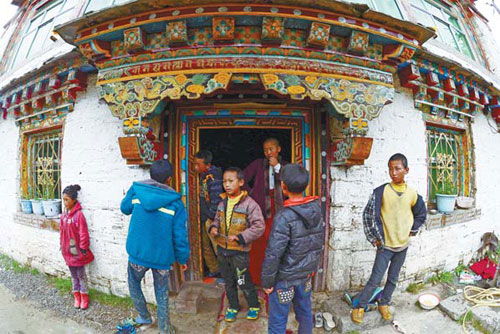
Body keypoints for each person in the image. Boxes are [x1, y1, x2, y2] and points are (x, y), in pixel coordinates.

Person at [351, 153, 427, 324]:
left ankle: (383, 303)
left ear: (406, 170)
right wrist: (375, 238)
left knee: (393, 278)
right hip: (385, 246)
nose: (393, 173)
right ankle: (359, 306)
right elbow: (368, 215)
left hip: (402, 246)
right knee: (375, 279)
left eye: (397, 169)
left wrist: (412, 230)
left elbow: (421, 214)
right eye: (390, 169)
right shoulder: (382, 191)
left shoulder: (412, 194)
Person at [120, 159, 189, 334]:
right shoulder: (176, 202)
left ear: (150, 175)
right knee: (162, 293)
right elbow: (180, 235)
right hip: (162, 257)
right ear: (169, 179)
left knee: (134, 283)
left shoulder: (137, 190)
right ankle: (165, 328)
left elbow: (124, 208)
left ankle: (144, 316)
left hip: (138, 253)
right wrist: (182, 259)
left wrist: (132, 192)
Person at [261, 164, 324, 334]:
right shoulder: (316, 209)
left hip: (284, 281)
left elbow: (274, 253)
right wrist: (311, 268)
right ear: (305, 186)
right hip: (304, 277)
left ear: (283, 187)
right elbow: (317, 243)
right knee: (304, 312)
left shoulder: (283, 216)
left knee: (278, 320)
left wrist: (267, 282)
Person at [208, 167, 265, 322]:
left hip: (239, 251)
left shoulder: (250, 205)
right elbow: (216, 220)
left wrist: (241, 237)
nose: (227, 185)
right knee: (228, 281)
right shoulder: (221, 203)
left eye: (231, 181)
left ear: (241, 182)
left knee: (243, 280)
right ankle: (233, 305)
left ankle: (253, 305)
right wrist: (213, 227)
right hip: (222, 250)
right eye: (225, 181)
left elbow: (259, 226)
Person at [243, 137, 286, 285]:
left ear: (278, 149)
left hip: (279, 209)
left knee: (276, 242)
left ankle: (276, 279)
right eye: (265, 150)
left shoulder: (285, 165)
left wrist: (277, 167)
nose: (268, 153)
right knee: (259, 242)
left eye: (271, 149)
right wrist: (251, 194)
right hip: (260, 209)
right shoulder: (258, 164)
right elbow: (242, 178)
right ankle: (256, 279)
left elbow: (289, 182)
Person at [60, 184, 94, 310]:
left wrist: (83, 248)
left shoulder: (78, 215)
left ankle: (84, 296)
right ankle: (76, 296)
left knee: (81, 275)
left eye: (67, 200)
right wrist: (62, 246)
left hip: (77, 253)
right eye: (63, 199)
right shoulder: (63, 215)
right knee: (73, 276)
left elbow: (83, 233)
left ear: (74, 200)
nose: (65, 202)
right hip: (67, 252)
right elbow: (62, 233)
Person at [193, 150, 224, 278]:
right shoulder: (202, 176)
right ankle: (214, 269)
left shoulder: (213, 178)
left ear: (208, 165)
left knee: (218, 246)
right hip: (205, 216)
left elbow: (216, 200)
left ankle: (226, 271)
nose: (195, 167)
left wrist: (211, 218)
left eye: (198, 164)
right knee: (205, 245)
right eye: (194, 164)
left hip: (212, 219)